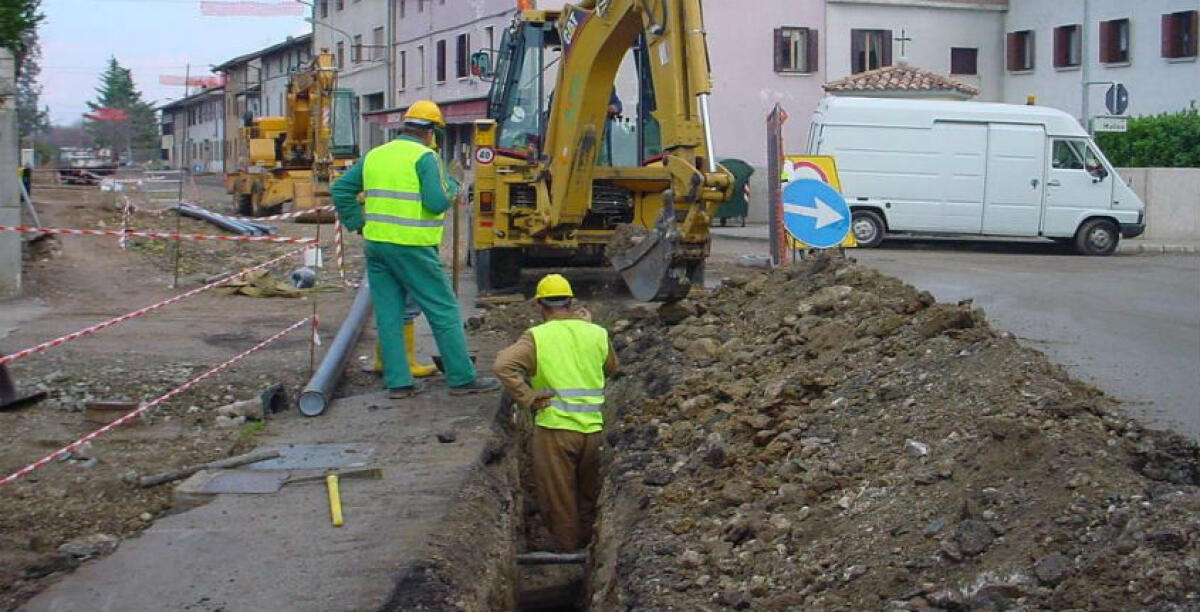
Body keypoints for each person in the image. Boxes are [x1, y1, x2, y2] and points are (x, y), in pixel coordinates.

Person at [331, 99, 499, 398]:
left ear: (405, 126)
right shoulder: (426, 158)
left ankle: (398, 384)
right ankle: (461, 379)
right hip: (413, 248)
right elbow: (435, 202)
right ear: (432, 131)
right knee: (443, 309)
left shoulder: (375, 155)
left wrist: (358, 223)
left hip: (378, 245)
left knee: (388, 314)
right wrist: (452, 185)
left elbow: (341, 188)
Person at [493, 274, 618, 552]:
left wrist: (527, 397)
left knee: (559, 501)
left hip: (555, 432)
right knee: (588, 495)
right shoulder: (596, 332)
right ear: (572, 303)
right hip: (593, 431)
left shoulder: (537, 337)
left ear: (539, 305)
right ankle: (589, 550)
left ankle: (567, 556)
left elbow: (503, 366)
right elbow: (610, 368)